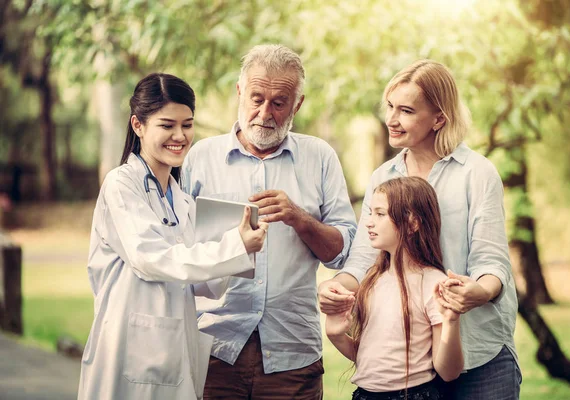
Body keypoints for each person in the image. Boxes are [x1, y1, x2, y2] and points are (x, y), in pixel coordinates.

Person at [319, 60, 521, 400]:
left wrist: (479, 293)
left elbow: (492, 262)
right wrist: (336, 287)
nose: (392, 120)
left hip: (479, 355)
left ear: (439, 118)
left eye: (407, 110)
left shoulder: (476, 173)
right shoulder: (383, 177)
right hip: (411, 371)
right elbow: (364, 259)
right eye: (390, 107)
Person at [181, 44, 357, 399]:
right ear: (240, 92)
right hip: (213, 347)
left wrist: (299, 218)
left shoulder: (320, 157)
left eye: (279, 102)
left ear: (298, 104)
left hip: (292, 353)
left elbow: (340, 253)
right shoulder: (201, 157)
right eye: (256, 98)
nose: (265, 112)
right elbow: (181, 251)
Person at [77, 73, 267, 400]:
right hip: (127, 348)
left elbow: (204, 285)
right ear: (138, 125)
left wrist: (238, 244)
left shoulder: (181, 199)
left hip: (172, 348)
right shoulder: (122, 185)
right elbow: (151, 259)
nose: (179, 136)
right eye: (167, 125)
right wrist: (233, 246)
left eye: (187, 124)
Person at [326, 177, 463, 400]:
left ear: (412, 223)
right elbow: (370, 361)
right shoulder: (372, 280)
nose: (369, 222)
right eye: (371, 213)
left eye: (380, 214)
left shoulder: (432, 283)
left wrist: (451, 322)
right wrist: (337, 336)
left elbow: (449, 372)